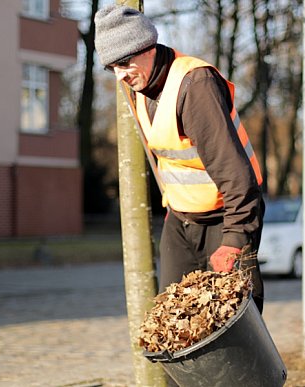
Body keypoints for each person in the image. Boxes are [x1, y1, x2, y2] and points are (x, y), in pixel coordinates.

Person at [94, 4, 266, 313]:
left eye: (123, 62)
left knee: (234, 326)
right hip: (182, 221)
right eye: (111, 68)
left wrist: (235, 238)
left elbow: (235, 173)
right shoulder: (138, 88)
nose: (120, 75)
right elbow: (169, 158)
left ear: (146, 47)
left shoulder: (194, 85)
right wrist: (174, 207)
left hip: (225, 220)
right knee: (173, 320)